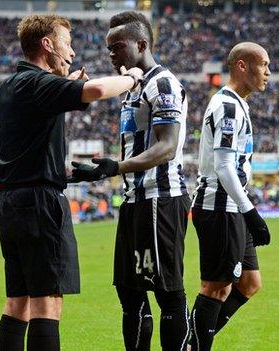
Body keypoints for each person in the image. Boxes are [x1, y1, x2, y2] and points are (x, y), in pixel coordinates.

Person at [0, 14, 144, 351]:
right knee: (47, 302)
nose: (72, 52)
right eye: (67, 43)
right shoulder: (39, 85)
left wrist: (65, 87)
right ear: (47, 45)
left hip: (11, 203)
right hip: (40, 204)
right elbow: (99, 89)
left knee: (18, 302)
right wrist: (133, 77)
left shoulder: (7, 87)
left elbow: (36, 128)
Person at [71, 11, 191, 350]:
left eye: (118, 47)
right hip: (135, 199)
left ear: (142, 44)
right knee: (130, 292)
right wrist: (107, 170)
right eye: (108, 49)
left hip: (161, 198)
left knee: (167, 292)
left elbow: (166, 147)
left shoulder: (162, 83)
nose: (112, 55)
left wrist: (116, 167)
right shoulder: (132, 88)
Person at [189, 42, 272, 350]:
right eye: (263, 64)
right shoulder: (227, 107)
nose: (267, 72)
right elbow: (224, 167)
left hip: (232, 207)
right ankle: (193, 344)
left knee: (249, 283)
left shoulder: (238, 104)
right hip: (219, 207)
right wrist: (251, 212)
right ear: (241, 65)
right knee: (215, 288)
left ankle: (192, 340)